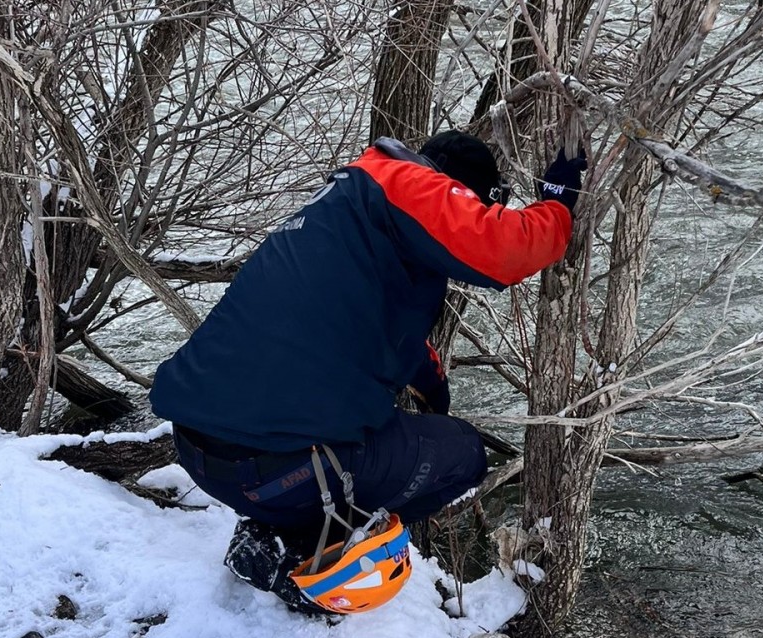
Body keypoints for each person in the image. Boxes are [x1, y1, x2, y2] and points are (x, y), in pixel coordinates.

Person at [149, 130, 585, 613]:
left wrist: (430, 385)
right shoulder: (409, 184)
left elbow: (361, 320)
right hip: (277, 468)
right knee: (463, 455)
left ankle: (269, 532)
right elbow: (505, 249)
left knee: (379, 431)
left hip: (198, 452)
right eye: (478, 202)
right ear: (457, 190)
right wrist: (558, 204)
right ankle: (308, 562)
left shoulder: (346, 201)